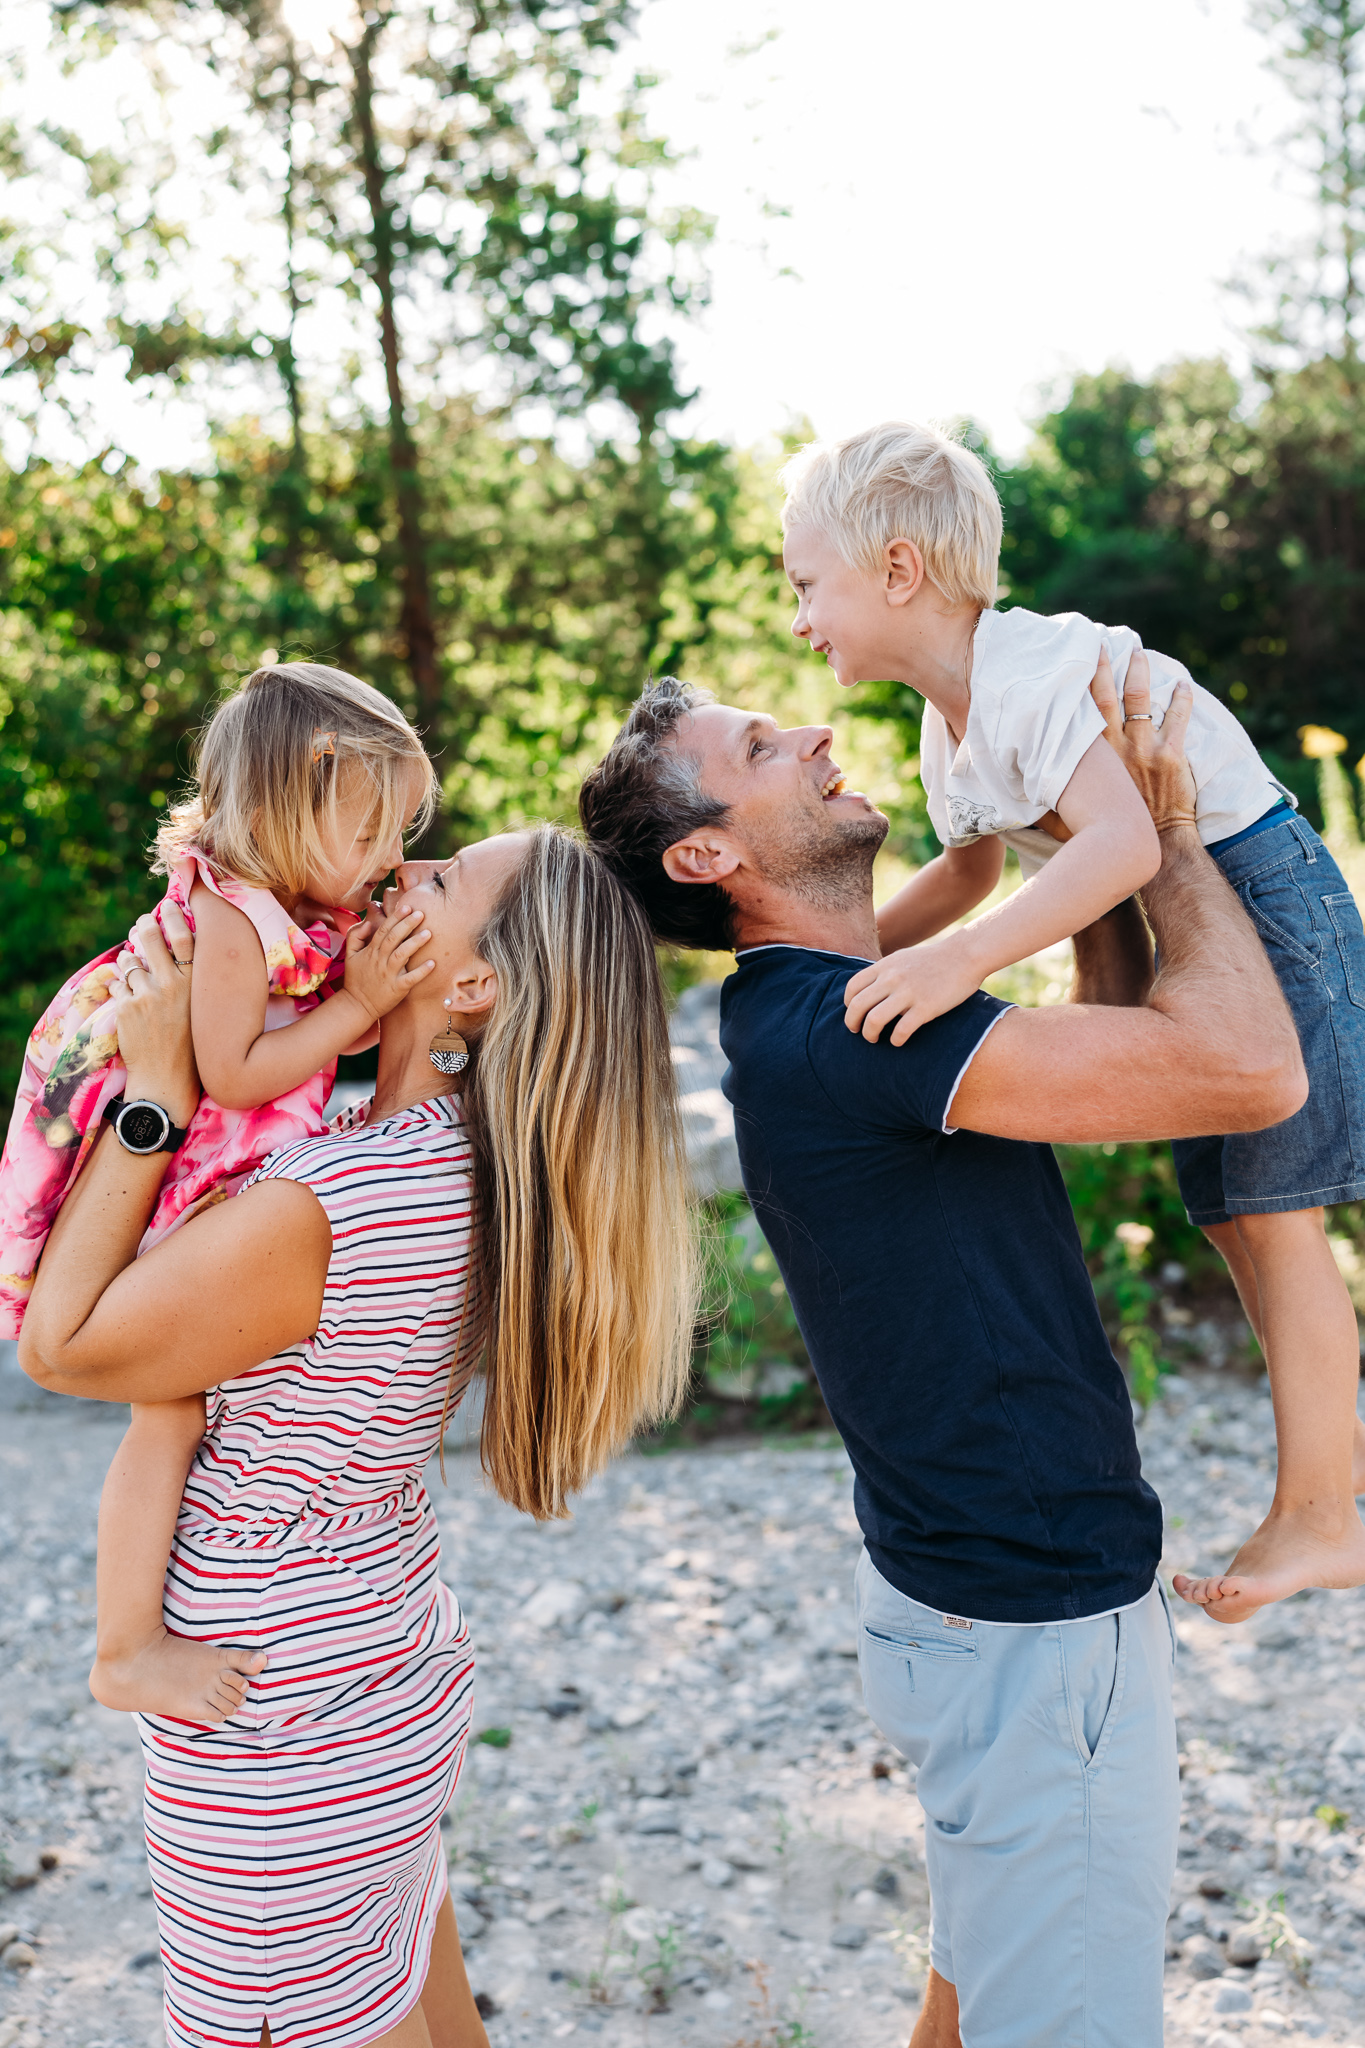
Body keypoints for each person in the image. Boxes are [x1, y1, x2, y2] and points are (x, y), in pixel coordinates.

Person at [578, 656, 1305, 2048]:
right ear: (711, 850)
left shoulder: (806, 1011)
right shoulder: (860, 1038)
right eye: (760, 743)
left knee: (976, 2008)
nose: (810, 733)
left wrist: (1047, 843)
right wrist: (1149, 835)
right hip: (1031, 1630)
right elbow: (1249, 1067)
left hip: (958, 1613)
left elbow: (1111, 1051)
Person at [20, 825, 696, 2048]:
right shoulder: (469, 1171)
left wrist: (157, 1099)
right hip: (370, 1672)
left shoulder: (344, 1200)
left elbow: (62, 1345)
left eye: (435, 882)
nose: (395, 879)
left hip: (277, 1730)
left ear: (472, 984)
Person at [777, 421, 1365, 1623]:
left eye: (806, 585)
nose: (799, 621)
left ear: (897, 572)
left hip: (1260, 894)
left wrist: (953, 969)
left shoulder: (1032, 673)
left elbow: (1125, 839)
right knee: (1231, 1217)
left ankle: (1326, 1507)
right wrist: (831, 963)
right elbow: (970, 875)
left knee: (1279, 1212)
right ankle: (1323, 1486)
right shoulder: (955, 723)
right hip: (1192, 924)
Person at [1, 662, 442, 1720]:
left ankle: (163, 1616)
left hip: (212, 1155)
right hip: (180, 1168)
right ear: (292, 805)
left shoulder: (282, 905)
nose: (391, 857)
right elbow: (237, 1070)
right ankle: (124, 1647)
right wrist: (365, 1002)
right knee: (167, 1409)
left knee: (192, 1407)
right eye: (372, 831)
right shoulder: (236, 921)